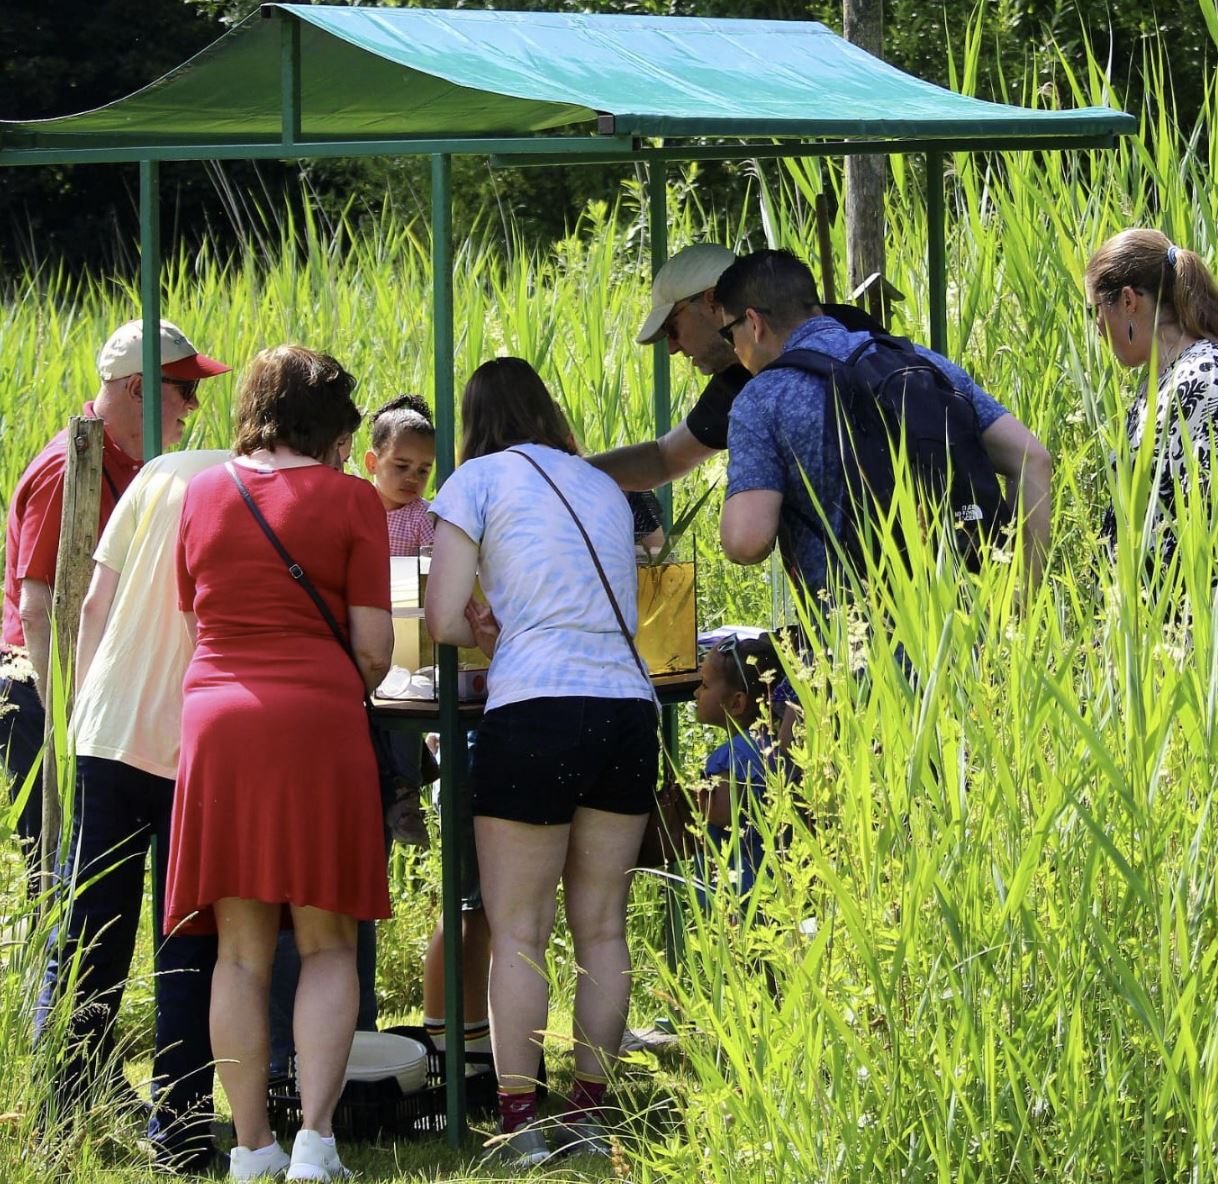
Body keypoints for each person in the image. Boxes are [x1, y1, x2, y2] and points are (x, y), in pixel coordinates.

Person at [165, 345, 393, 1182]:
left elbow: (194, 617)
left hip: (219, 723)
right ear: (330, 423)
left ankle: (250, 1147)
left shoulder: (201, 493)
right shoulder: (353, 500)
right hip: (317, 723)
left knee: (238, 952)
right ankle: (316, 1143)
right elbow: (374, 650)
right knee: (328, 943)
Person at [425, 357, 658, 1167]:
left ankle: (521, 1122)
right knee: (603, 926)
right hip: (627, 706)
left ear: (474, 421)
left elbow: (441, 617)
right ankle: (589, 1115)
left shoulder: (476, 481)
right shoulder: (602, 486)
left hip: (535, 705)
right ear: (547, 411)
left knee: (519, 928)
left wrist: (484, 630)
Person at [35, 449, 229, 1172]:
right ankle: (181, 1133)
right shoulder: (256, 491)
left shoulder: (158, 474)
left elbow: (93, 604)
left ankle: (56, 1117)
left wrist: (85, 712)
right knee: (189, 944)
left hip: (107, 733)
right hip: (193, 744)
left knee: (86, 937)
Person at [0, 318, 229, 890]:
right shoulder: (69, 466)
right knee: (58, 874)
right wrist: (69, 718)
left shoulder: (131, 465)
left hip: (81, 689)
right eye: (185, 389)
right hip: (39, 686)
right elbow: (37, 606)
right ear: (138, 388)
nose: (194, 406)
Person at [715, 248, 1052, 596]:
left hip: (853, 623)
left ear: (753, 323)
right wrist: (1020, 602)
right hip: (969, 614)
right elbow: (1033, 458)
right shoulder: (920, 360)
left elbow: (746, 542)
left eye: (729, 334)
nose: (734, 350)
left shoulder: (763, 398)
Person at [590, 243, 887, 491]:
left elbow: (746, 536)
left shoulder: (851, 334)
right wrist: (569, 471)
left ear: (711, 301)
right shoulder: (737, 375)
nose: (671, 348)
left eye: (672, 328)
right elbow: (664, 458)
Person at [1086, 229, 1218, 568]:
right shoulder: (1158, 381)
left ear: (1128, 300)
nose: (1097, 325)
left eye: (1095, 310)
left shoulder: (1203, 374)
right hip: (1146, 596)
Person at [690, 635, 786, 909]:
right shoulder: (774, 745)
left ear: (737, 703)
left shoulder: (732, 758)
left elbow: (718, 814)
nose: (696, 693)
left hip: (739, 896)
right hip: (774, 890)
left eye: (705, 685)